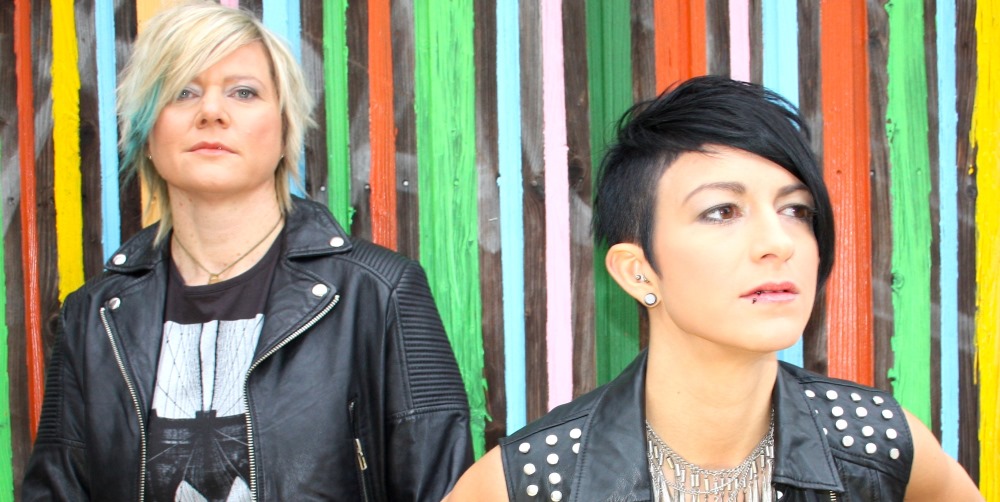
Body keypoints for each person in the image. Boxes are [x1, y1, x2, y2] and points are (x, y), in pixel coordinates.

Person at [444, 76, 982, 501]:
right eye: (722, 211)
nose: (778, 243)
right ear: (637, 271)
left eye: (796, 210)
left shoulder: (876, 445)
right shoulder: (534, 481)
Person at [22, 2, 472, 500]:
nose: (211, 112)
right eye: (182, 91)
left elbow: (442, 490)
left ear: (284, 131)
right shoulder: (95, 316)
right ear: (148, 131)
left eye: (243, 92)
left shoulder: (379, 293)